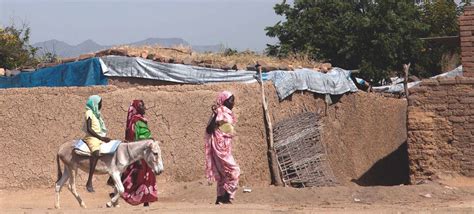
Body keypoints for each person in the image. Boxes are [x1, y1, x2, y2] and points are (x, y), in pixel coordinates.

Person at [205, 91, 241, 205]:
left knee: (223, 175)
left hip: (224, 148)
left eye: (233, 100)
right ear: (224, 101)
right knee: (235, 170)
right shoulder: (220, 111)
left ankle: (220, 198)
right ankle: (227, 195)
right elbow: (209, 130)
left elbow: (226, 129)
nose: (233, 103)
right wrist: (216, 114)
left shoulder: (226, 113)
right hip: (220, 149)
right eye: (231, 100)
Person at [120, 100, 157, 207]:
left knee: (148, 174)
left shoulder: (142, 120)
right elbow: (134, 138)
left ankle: (146, 198)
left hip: (147, 151)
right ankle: (127, 194)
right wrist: (147, 139)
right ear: (136, 108)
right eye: (141, 106)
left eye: (144, 105)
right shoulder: (134, 121)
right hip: (139, 152)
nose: (144, 107)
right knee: (139, 175)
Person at [83, 95, 111, 193]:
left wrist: (102, 137)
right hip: (91, 137)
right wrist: (101, 138)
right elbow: (89, 129)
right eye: (99, 103)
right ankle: (89, 181)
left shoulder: (96, 114)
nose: (101, 105)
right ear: (94, 103)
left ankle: (111, 178)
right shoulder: (89, 112)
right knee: (96, 153)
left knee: (113, 149)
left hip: (98, 137)